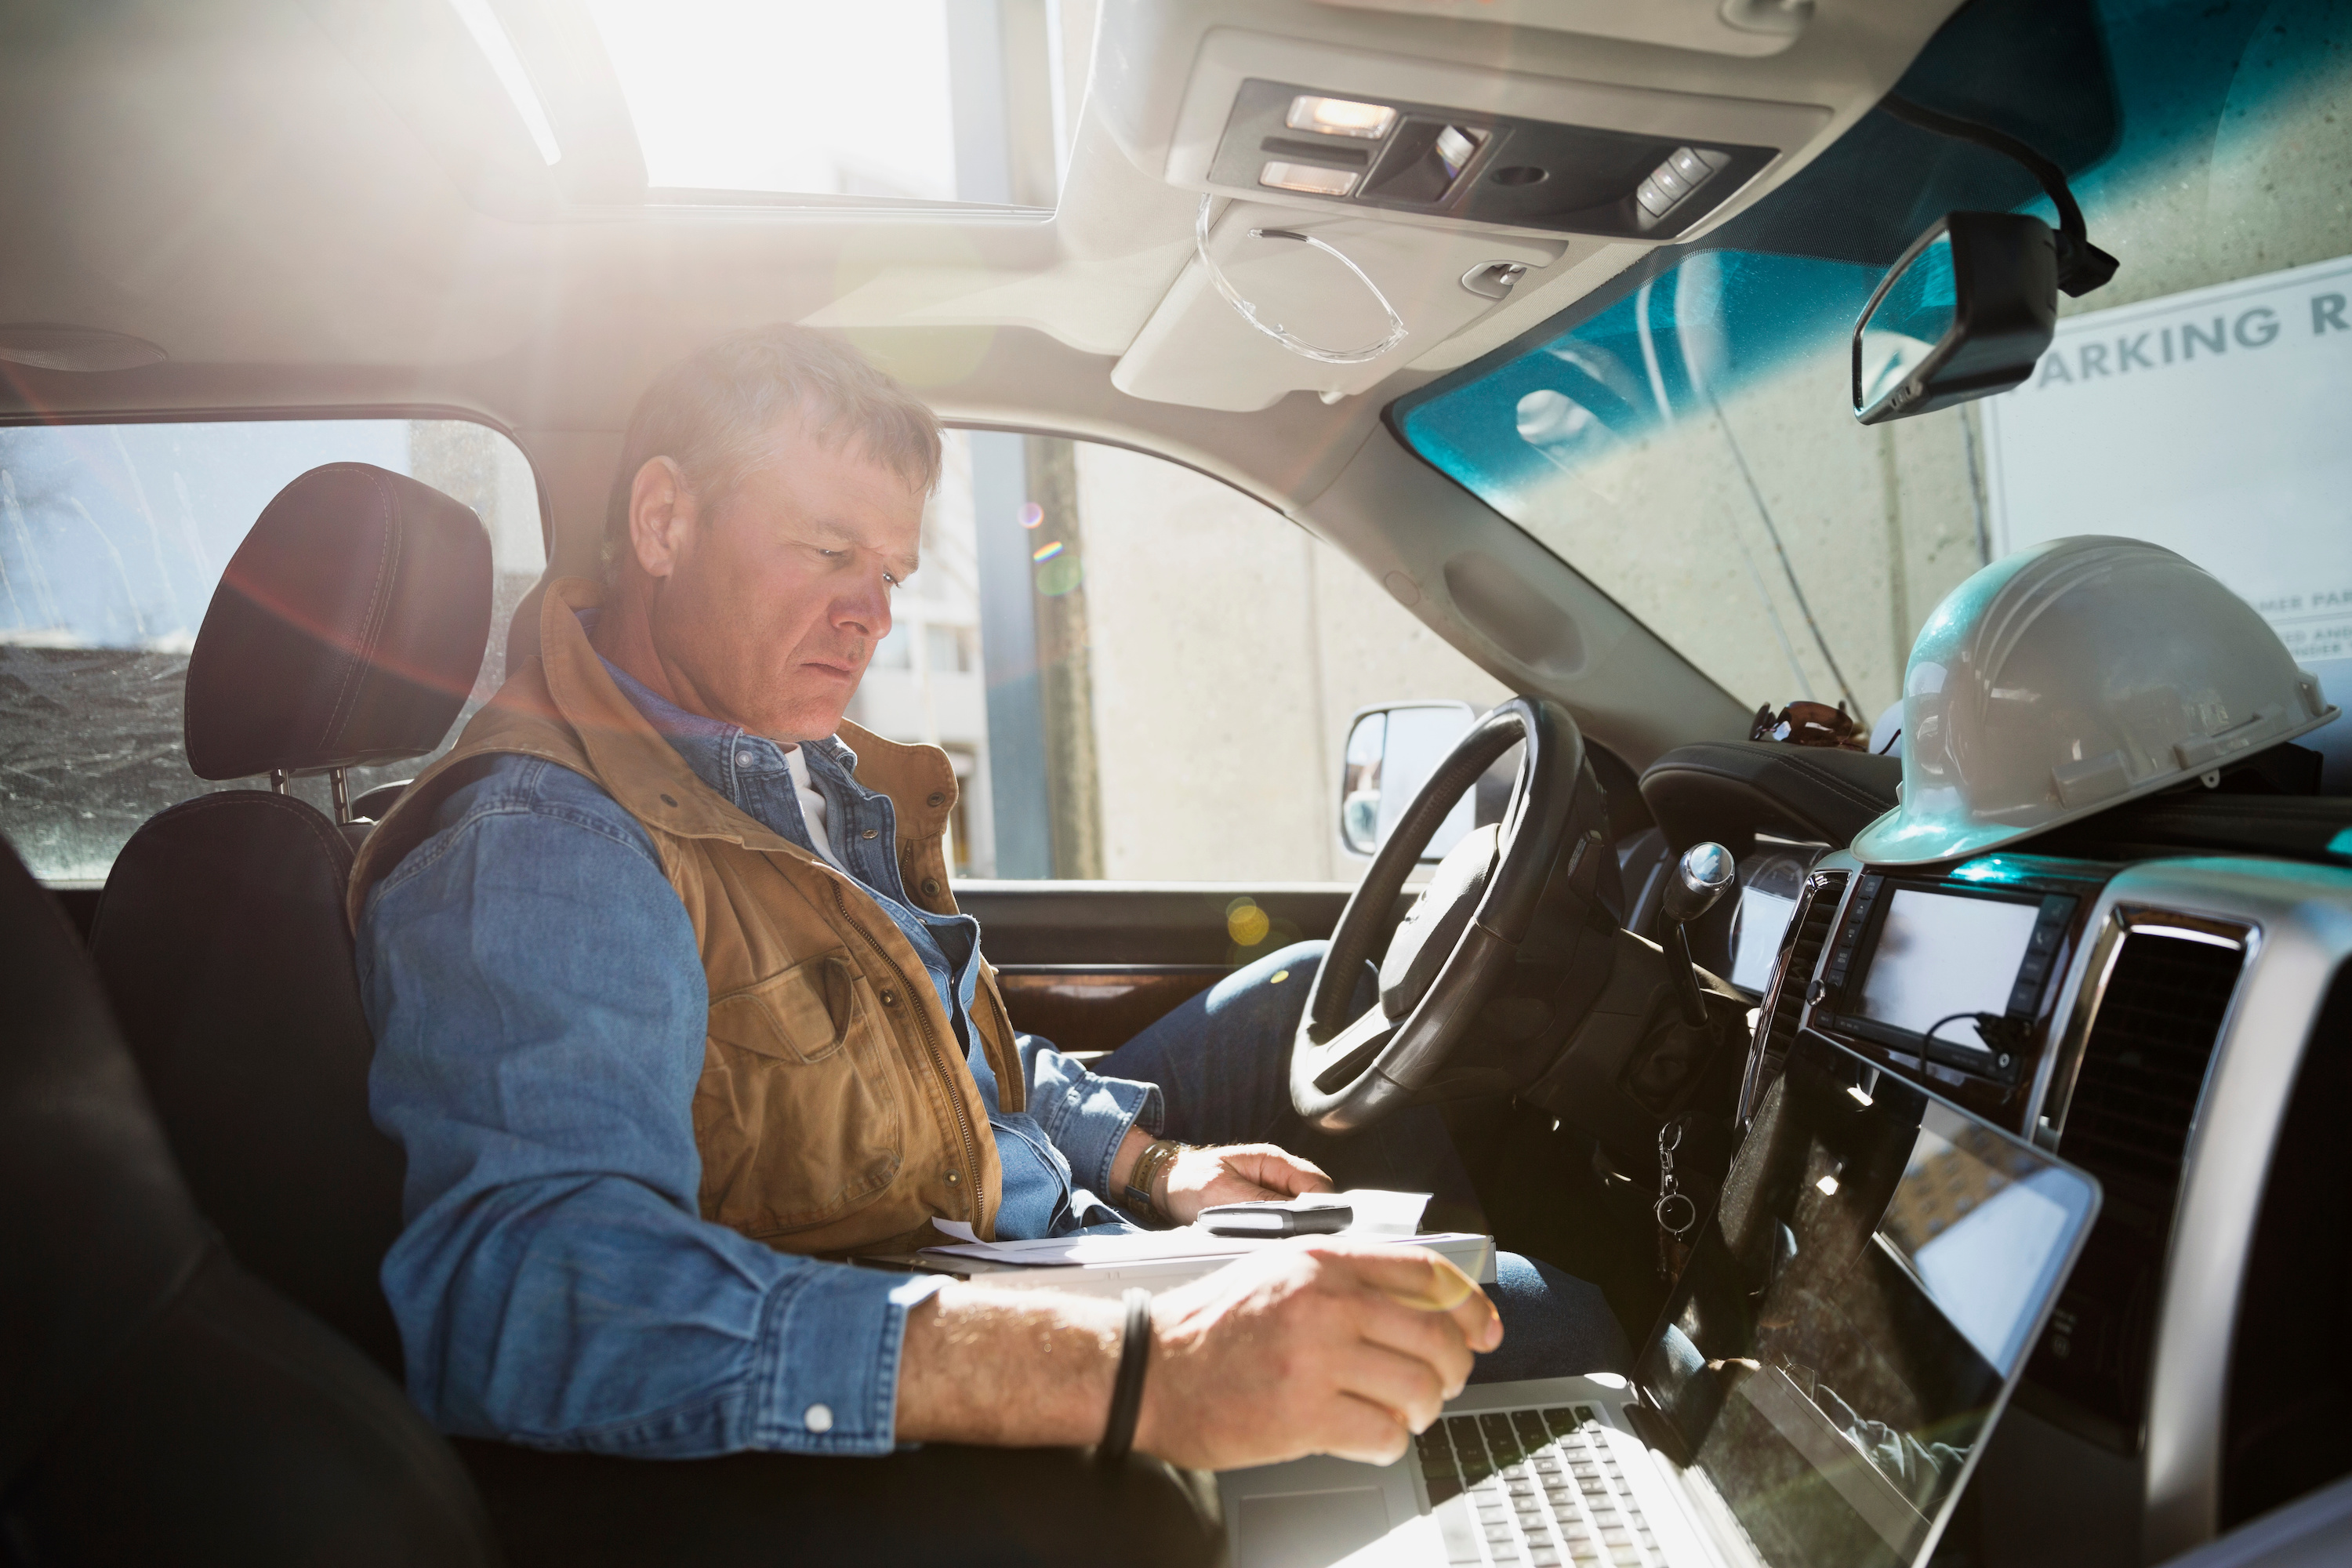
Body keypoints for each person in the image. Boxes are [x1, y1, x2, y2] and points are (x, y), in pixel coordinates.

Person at [348, 325, 1626, 1484]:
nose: (872, 619)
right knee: (1562, 1320)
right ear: (666, 522)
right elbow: (528, 1293)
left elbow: (955, 1057)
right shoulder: (545, 842)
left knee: (1298, 992)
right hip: (951, 1321)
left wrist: (1153, 1166)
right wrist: (1141, 1367)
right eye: (829, 551)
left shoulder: (778, 763)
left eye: (893, 572)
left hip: (1022, 1225)